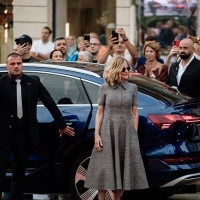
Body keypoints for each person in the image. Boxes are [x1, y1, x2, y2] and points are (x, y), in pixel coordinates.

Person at [0, 53, 75, 200]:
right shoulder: (1, 83)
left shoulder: (33, 81)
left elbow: (49, 102)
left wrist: (61, 124)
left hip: (24, 133)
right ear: (7, 66)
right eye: (13, 64)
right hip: (4, 133)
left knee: (20, 170)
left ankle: (17, 197)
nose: (16, 66)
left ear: (22, 64)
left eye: (19, 63)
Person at [84, 56, 148, 200]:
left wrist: (134, 134)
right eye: (124, 69)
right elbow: (100, 112)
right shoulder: (104, 88)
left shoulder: (132, 88)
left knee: (120, 170)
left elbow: (135, 113)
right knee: (104, 170)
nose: (127, 71)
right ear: (116, 69)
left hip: (126, 131)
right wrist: (97, 135)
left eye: (128, 68)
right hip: (107, 130)